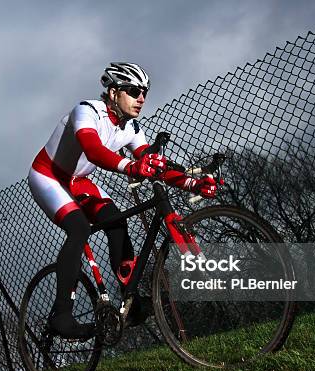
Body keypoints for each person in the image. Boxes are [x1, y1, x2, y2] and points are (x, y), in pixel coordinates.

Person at [28, 62, 217, 339]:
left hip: (79, 181)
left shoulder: (130, 127)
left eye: (144, 93)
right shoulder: (87, 111)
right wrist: (130, 167)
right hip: (49, 176)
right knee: (79, 228)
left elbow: (151, 162)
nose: (141, 98)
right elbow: (92, 150)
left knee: (116, 223)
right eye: (133, 91)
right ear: (114, 92)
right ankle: (61, 314)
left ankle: (129, 300)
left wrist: (192, 182)